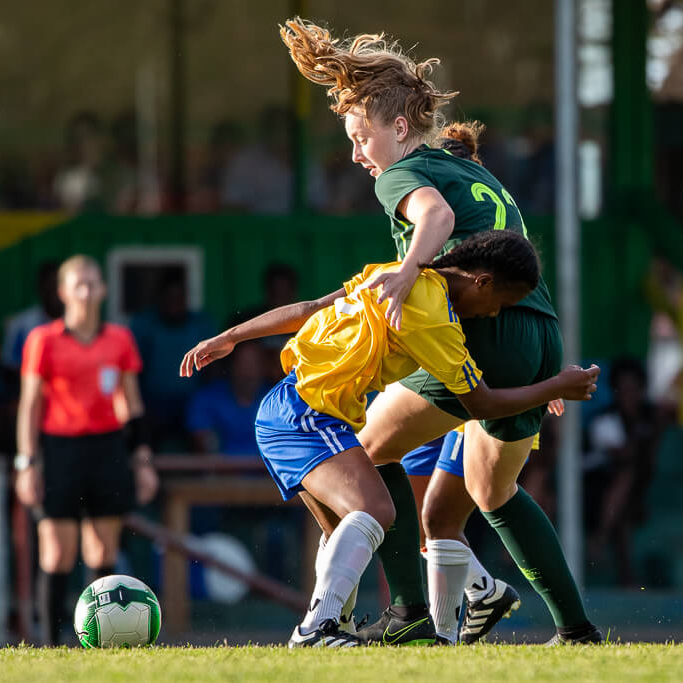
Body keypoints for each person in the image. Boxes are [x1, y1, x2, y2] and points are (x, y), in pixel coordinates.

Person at [281, 17, 602, 646]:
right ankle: (575, 630)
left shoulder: (405, 176)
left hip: (484, 333)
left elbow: (436, 215)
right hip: (538, 333)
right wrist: (536, 376)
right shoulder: (471, 170)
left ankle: (410, 615)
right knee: (493, 488)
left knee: (367, 455)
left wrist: (408, 269)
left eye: (360, 137)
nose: (356, 155)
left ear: (397, 129)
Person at [180, 230, 598, 647]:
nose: (494, 316)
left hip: (303, 410)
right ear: (482, 282)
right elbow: (483, 405)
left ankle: (339, 627)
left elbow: (312, 308)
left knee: (348, 524)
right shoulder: (437, 322)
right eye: (500, 305)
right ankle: (314, 630)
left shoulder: (397, 275)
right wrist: (554, 386)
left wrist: (232, 336)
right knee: (378, 509)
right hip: (304, 415)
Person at [15, 254, 159, 646]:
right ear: (62, 292)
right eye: (78, 283)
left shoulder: (119, 339)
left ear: (104, 289)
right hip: (59, 448)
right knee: (57, 552)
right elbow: (30, 404)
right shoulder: (43, 340)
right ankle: (50, 646)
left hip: (107, 447)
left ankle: (98, 642)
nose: (86, 289)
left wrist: (142, 458)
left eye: (93, 282)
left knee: (101, 548)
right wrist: (27, 462)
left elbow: (132, 403)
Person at [584, 357, 659, 587]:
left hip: (628, 494)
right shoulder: (604, 420)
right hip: (589, 489)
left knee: (624, 512)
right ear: (615, 392)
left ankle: (627, 577)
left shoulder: (648, 418)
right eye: (624, 388)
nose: (630, 394)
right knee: (626, 476)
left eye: (634, 388)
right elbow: (625, 456)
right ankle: (599, 541)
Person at [129, 269, 217, 450]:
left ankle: (202, 478)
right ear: (160, 298)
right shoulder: (145, 325)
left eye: (179, 296)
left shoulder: (200, 325)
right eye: (169, 296)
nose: (174, 302)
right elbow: (134, 370)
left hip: (192, 401)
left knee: (201, 425)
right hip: (153, 401)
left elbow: (213, 369)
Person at [1, 261, 63, 369]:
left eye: (57, 286)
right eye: (49, 286)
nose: (53, 292)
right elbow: (10, 365)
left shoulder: (79, 325)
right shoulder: (21, 324)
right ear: (39, 288)